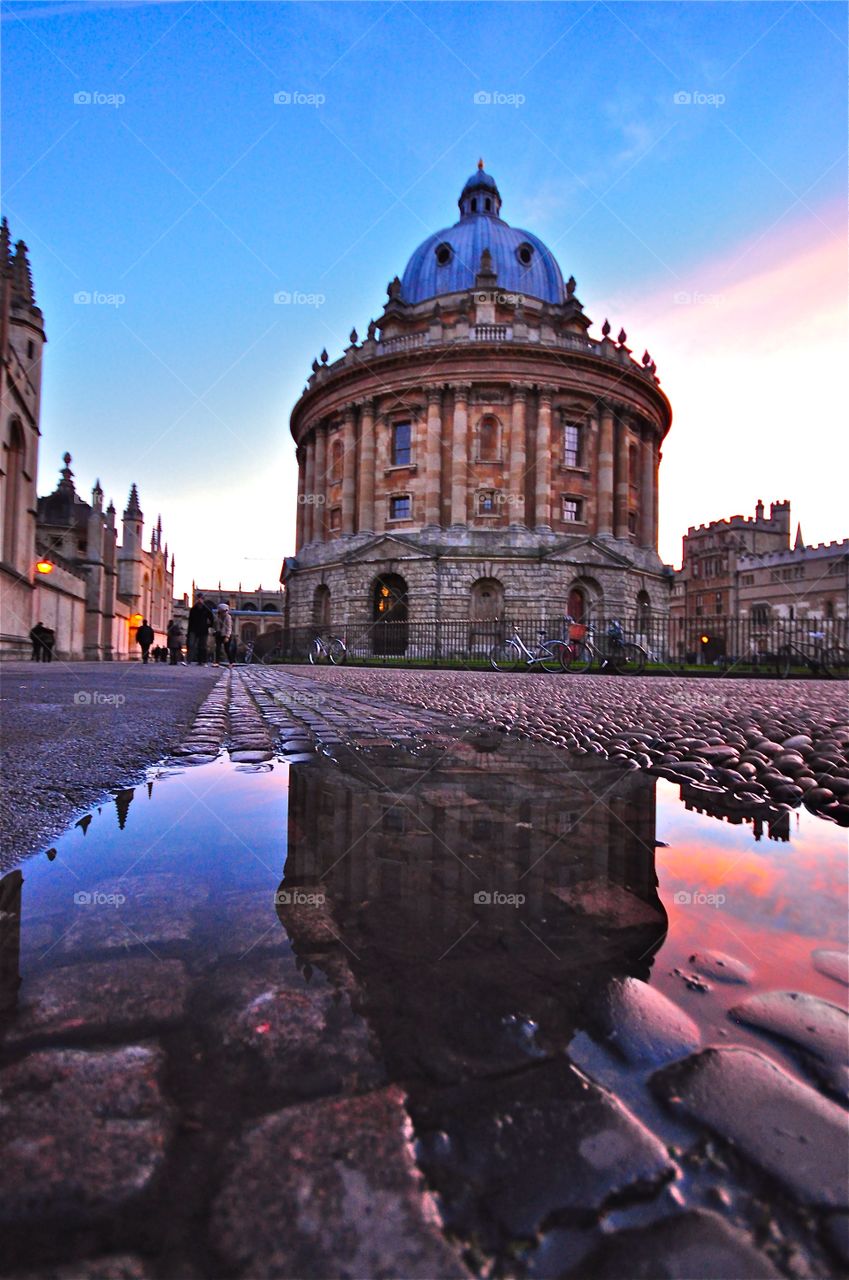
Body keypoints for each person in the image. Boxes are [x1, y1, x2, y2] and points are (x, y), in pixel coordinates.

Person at [187, 594, 214, 666]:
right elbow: (190, 621)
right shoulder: (193, 609)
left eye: (201, 599)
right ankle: (189, 660)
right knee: (191, 645)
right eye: (198, 599)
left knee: (203, 646)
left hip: (203, 630)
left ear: (203, 600)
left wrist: (209, 626)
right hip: (193, 629)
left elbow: (212, 618)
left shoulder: (206, 609)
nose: (199, 600)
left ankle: (203, 661)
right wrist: (189, 631)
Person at [213, 602, 234, 667]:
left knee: (227, 649)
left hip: (226, 635)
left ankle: (231, 663)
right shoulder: (218, 617)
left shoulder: (228, 617)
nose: (224, 612)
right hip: (219, 634)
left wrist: (227, 637)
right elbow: (215, 625)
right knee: (218, 648)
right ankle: (217, 662)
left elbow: (229, 627)